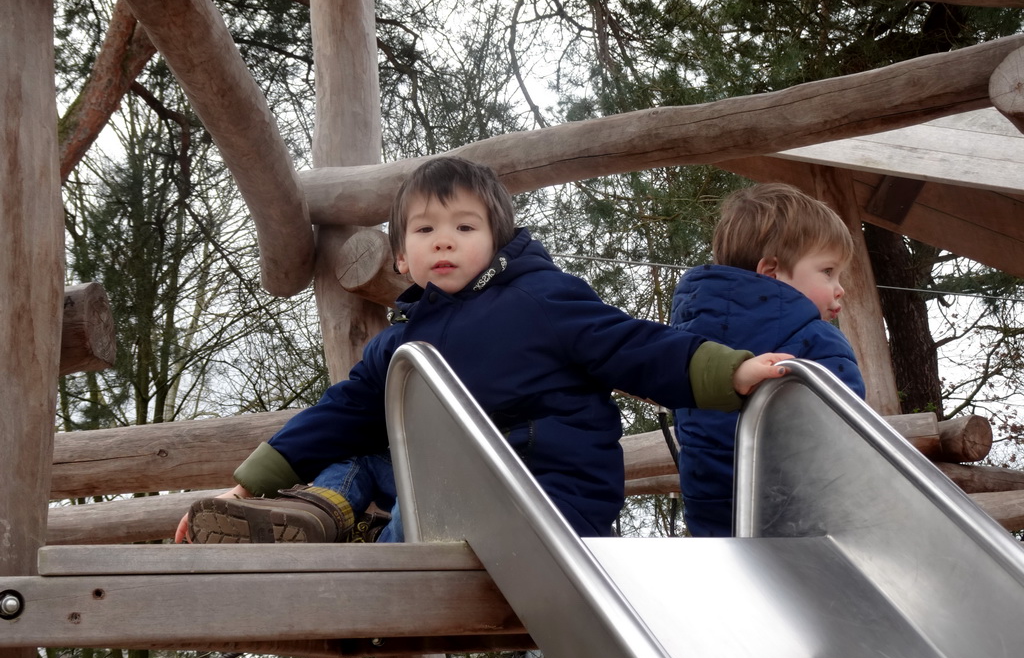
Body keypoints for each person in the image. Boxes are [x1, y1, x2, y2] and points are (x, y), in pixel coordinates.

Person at [178, 157, 792, 545]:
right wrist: (246, 487)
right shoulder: (402, 344)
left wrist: (730, 369)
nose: (444, 241)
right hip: (456, 493)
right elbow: (335, 414)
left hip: (542, 496)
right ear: (401, 257)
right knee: (361, 432)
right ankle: (318, 515)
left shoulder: (540, 300)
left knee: (410, 495)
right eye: (425, 231)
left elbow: (633, 344)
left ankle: (373, 564)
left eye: (464, 228)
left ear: (497, 240)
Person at [671, 182, 867, 538]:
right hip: (802, 519)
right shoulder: (818, 339)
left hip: (713, 517)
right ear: (771, 272)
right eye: (828, 271)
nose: (840, 288)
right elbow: (850, 438)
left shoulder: (693, 342)